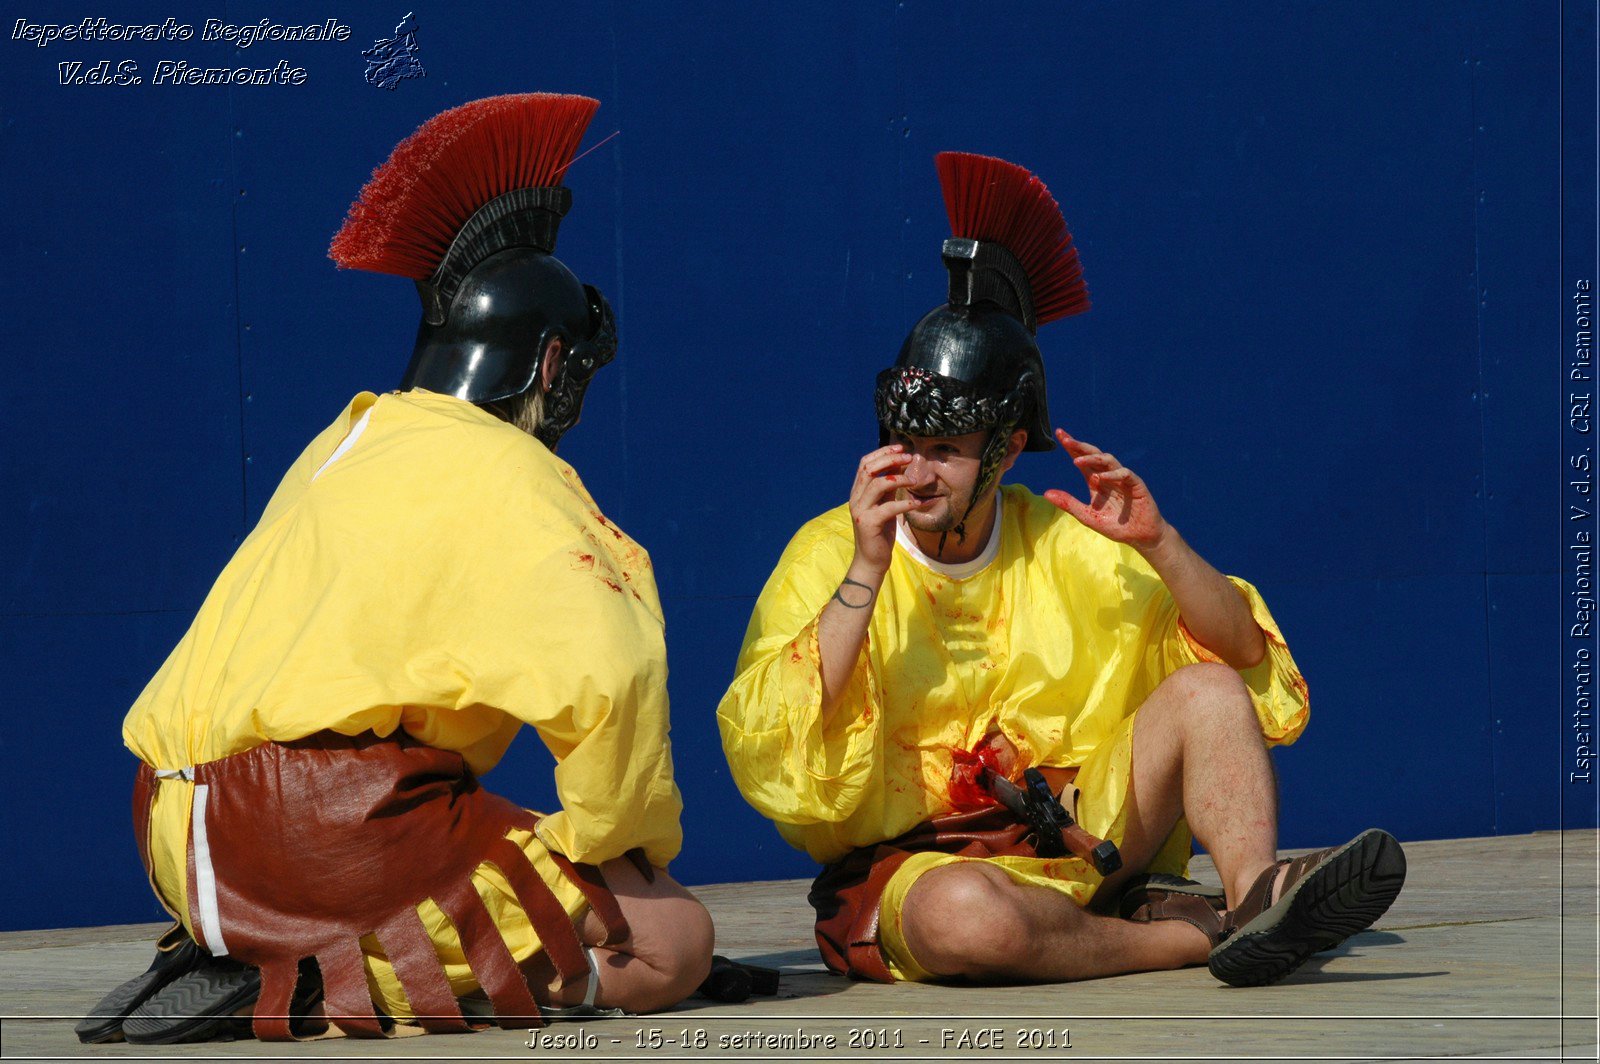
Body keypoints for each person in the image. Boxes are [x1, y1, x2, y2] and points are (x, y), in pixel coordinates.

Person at [79, 93, 713, 1045]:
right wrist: (622, 854)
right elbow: (610, 677)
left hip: (169, 823)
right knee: (672, 938)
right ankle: (320, 977)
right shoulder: (516, 470)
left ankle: (265, 948)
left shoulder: (351, 436)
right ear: (548, 365)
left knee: (517, 836)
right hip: (316, 835)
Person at [717, 151, 1405, 989]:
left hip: (1084, 835)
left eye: (947, 452)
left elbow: (1242, 659)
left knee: (1209, 691)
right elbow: (775, 741)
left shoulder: (1063, 537)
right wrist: (865, 569)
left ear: (1006, 450)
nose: (918, 474)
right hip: (924, 870)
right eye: (908, 446)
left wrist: (1161, 546)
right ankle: (1203, 936)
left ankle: (1254, 893)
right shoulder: (831, 547)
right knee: (967, 918)